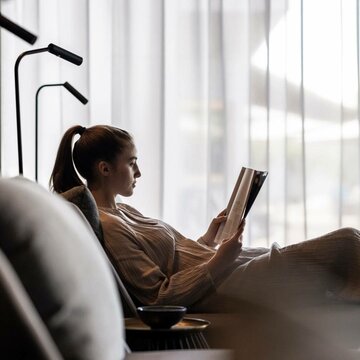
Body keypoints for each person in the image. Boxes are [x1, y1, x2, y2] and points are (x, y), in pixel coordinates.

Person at [50, 124, 360, 313]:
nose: (139, 172)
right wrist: (218, 262)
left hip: (223, 269)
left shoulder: (124, 212)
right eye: (132, 163)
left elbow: (173, 259)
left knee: (347, 247)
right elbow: (158, 297)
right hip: (223, 284)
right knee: (346, 242)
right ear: (104, 169)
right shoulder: (111, 226)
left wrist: (209, 239)